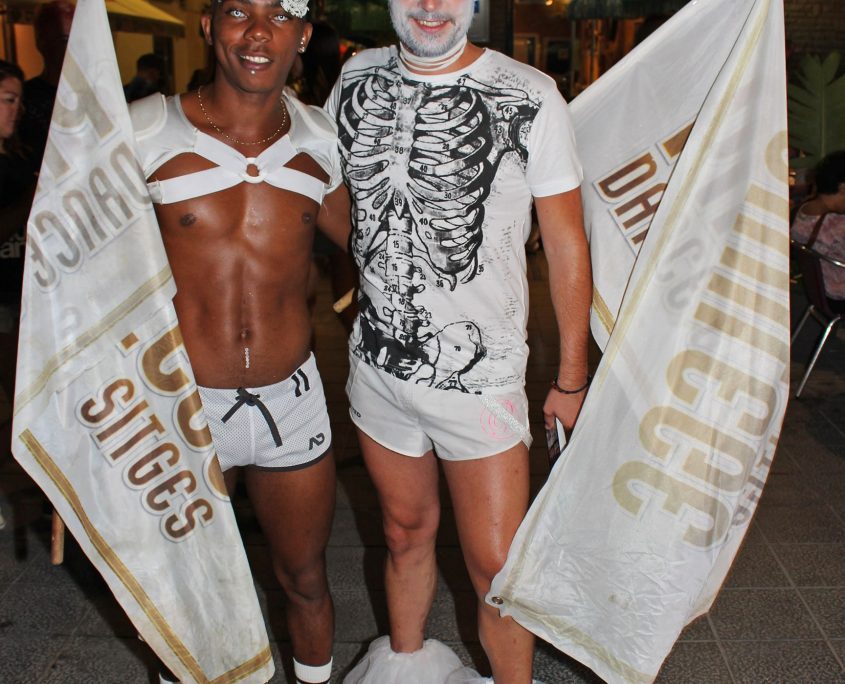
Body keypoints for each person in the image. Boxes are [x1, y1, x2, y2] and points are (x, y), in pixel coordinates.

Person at [325, 0, 592, 682]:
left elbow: (565, 241)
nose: (429, 6)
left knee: (496, 571)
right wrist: (361, 279)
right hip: (378, 368)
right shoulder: (354, 77)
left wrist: (571, 377)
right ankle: (404, 664)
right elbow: (330, 193)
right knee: (401, 533)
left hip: (481, 379)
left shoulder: (531, 94)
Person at [129, 0, 350, 682]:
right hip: (182, 406)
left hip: (292, 401)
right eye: (237, 11)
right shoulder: (144, 130)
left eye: (279, 15)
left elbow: (372, 251)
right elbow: (81, 274)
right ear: (207, 25)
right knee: (187, 591)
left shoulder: (321, 138)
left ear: (303, 35)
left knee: (306, 578)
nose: (257, 33)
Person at [1, 60, 38, 449]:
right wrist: (31, 200)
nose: (18, 109)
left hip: (27, 292)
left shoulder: (20, 156)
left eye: (19, 100)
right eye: (8, 100)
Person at [19, 0, 74, 167]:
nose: (73, 47)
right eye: (65, 40)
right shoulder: (24, 99)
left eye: (78, 38)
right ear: (42, 42)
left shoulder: (97, 93)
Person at [791, 151, 845, 300]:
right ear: (843, 188)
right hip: (838, 294)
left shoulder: (801, 210)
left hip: (818, 290)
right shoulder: (837, 225)